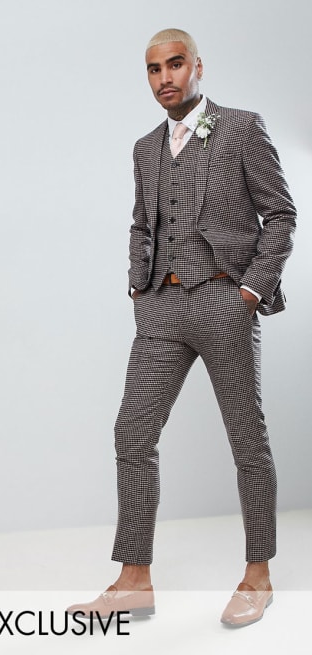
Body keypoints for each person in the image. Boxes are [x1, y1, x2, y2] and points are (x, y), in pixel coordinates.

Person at [67, 28, 296, 627]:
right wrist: (137, 286)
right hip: (161, 309)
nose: (164, 78)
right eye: (153, 69)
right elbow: (142, 224)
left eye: (174, 65)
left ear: (197, 66)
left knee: (246, 441)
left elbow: (280, 214)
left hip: (224, 301)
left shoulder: (240, 128)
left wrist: (251, 290)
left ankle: (258, 575)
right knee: (132, 434)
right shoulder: (145, 148)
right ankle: (133, 580)